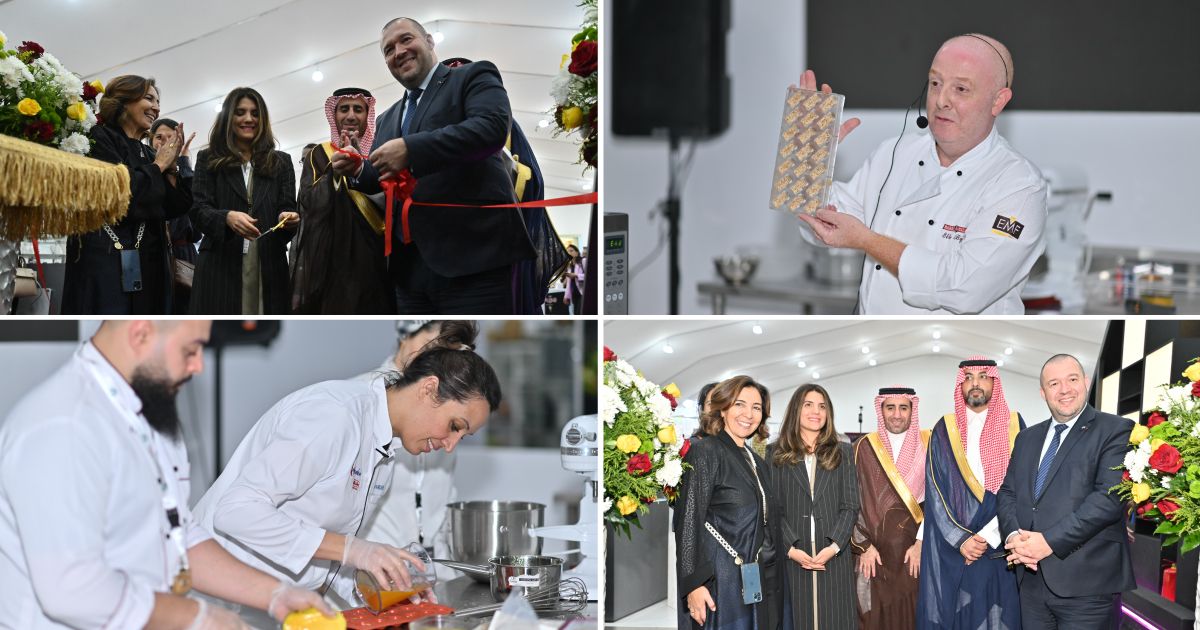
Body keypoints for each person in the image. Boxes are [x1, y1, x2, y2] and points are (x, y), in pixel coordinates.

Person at [0, 321, 332, 629]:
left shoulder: (150, 414)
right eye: (190, 350)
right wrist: (198, 617)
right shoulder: (64, 426)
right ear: (140, 335)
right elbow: (71, 588)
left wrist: (274, 594)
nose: (199, 365)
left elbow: (176, 534)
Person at [192, 322, 499, 606]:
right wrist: (354, 550)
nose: (450, 446)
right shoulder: (335, 415)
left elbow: (322, 549)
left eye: (462, 436)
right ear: (429, 389)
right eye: (455, 426)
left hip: (275, 602)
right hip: (217, 598)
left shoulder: (384, 451)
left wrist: (375, 583)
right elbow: (235, 511)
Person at [796, 34, 1046, 315]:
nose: (941, 100)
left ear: (998, 101)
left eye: (961, 89)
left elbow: (963, 288)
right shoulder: (895, 151)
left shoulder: (1019, 186)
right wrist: (808, 161)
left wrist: (867, 240)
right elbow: (831, 219)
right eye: (936, 83)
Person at [331, 17, 537, 314]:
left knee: (475, 356)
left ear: (429, 41)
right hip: (408, 273)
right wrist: (359, 168)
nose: (398, 51)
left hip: (473, 261)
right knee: (421, 359)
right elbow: (382, 177)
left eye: (405, 40)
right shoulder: (387, 119)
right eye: (388, 50)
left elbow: (491, 129)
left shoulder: (472, 75)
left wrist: (411, 149)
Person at [998, 355, 1135, 630]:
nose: (1064, 389)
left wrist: (1047, 542)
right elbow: (1007, 493)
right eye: (1054, 383)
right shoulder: (1026, 438)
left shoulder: (1116, 429)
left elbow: (1107, 499)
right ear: (1043, 392)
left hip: (1089, 585)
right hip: (1031, 581)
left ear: (1085, 382)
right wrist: (1015, 538)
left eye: (1072, 379)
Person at [62, 75, 192, 315]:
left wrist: (172, 167)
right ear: (123, 100)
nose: (157, 107)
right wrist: (159, 166)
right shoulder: (99, 138)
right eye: (148, 98)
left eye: (158, 100)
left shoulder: (147, 150)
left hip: (151, 259)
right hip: (106, 255)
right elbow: (119, 192)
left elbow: (174, 208)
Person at [675, 376, 791, 630]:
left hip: (764, 575)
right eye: (740, 404)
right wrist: (693, 585)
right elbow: (688, 522)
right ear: (723, 408)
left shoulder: (756, 460)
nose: (748, 414)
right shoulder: (706, 452)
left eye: (757, 407)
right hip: (724, 581)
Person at [918, 357, 1025, 630]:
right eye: (968, 377)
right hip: (956, 548)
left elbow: (1023, 486)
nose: (975, 383)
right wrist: (961, 539)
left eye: (982, 376)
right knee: (960, 618)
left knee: (1000, 616)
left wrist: (990, 535)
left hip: (1002, 542)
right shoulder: (945, 428)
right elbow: (935, 490)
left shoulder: (1014, 425)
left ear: (994, 381)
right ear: (960, 384)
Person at [352, 321, 463, 581]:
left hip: (436, 570)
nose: (442, 359)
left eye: (453, 352)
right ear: (406, 334)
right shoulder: (362, 397)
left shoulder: (448, 407)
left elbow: (445, 490)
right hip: (374, 569)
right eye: (438, 344)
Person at [190, 87, 299, 314]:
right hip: (220, 268)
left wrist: (286, 218)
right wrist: (226, 217)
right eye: (240, 112)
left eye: (255, 113)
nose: (249, 119)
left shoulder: (282, 162)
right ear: (229, 117)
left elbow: (287, 207)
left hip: (269, 266)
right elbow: (198, 210)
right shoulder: (208, 158)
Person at [289, 87, 394, 314]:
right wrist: (335, 173)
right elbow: (308, 203)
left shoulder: (382, 151)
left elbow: (394, 199)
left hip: (377, 255)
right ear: (334, 115)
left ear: (368, 116)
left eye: (358, 109)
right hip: (333, 258)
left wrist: (363, 172)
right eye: (344, 109)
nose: (350, 116)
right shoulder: (320, 154)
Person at [766, 384, 859, 630]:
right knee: (797, 620)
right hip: (794, 555)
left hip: (833, 555)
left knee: (836, 619)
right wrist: (790, 549)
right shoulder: (775, 453)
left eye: (822, 406)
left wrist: (835, 546)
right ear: (796, 409)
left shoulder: (843, 452)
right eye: (808, 404)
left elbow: (850, 505)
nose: (815, 411)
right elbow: (773, 508)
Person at [851, 386, 928, 630]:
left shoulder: (929, 444)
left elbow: (938, 500)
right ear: (880, 409)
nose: (896, 414)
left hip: (913, 552)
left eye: (903, 408)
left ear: (912, 411)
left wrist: (921, 543)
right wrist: (863, 545)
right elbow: (850, 500)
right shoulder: (862, 447)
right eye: (890, 407)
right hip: (873, 554)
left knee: (912, 615)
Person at [149, 117, 203, 315]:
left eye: (171, 137)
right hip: (152, 255)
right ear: (150, 141)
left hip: (183, 257)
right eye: (158, 137)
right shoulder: (144, 175)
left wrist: (183, 162)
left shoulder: (186, 174)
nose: (164, 141)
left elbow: (197, 226)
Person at [564, 244, 586, 314]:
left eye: (571, 251)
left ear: (577, 252)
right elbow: (569, 284)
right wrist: (566, 296)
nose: (569, 253)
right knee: (576, 313)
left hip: (583, 292)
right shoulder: (570, 266)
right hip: (574, 293)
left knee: (580, 312)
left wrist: (577, 275)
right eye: (568, 251)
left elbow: (590, 276)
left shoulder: (583, 261)